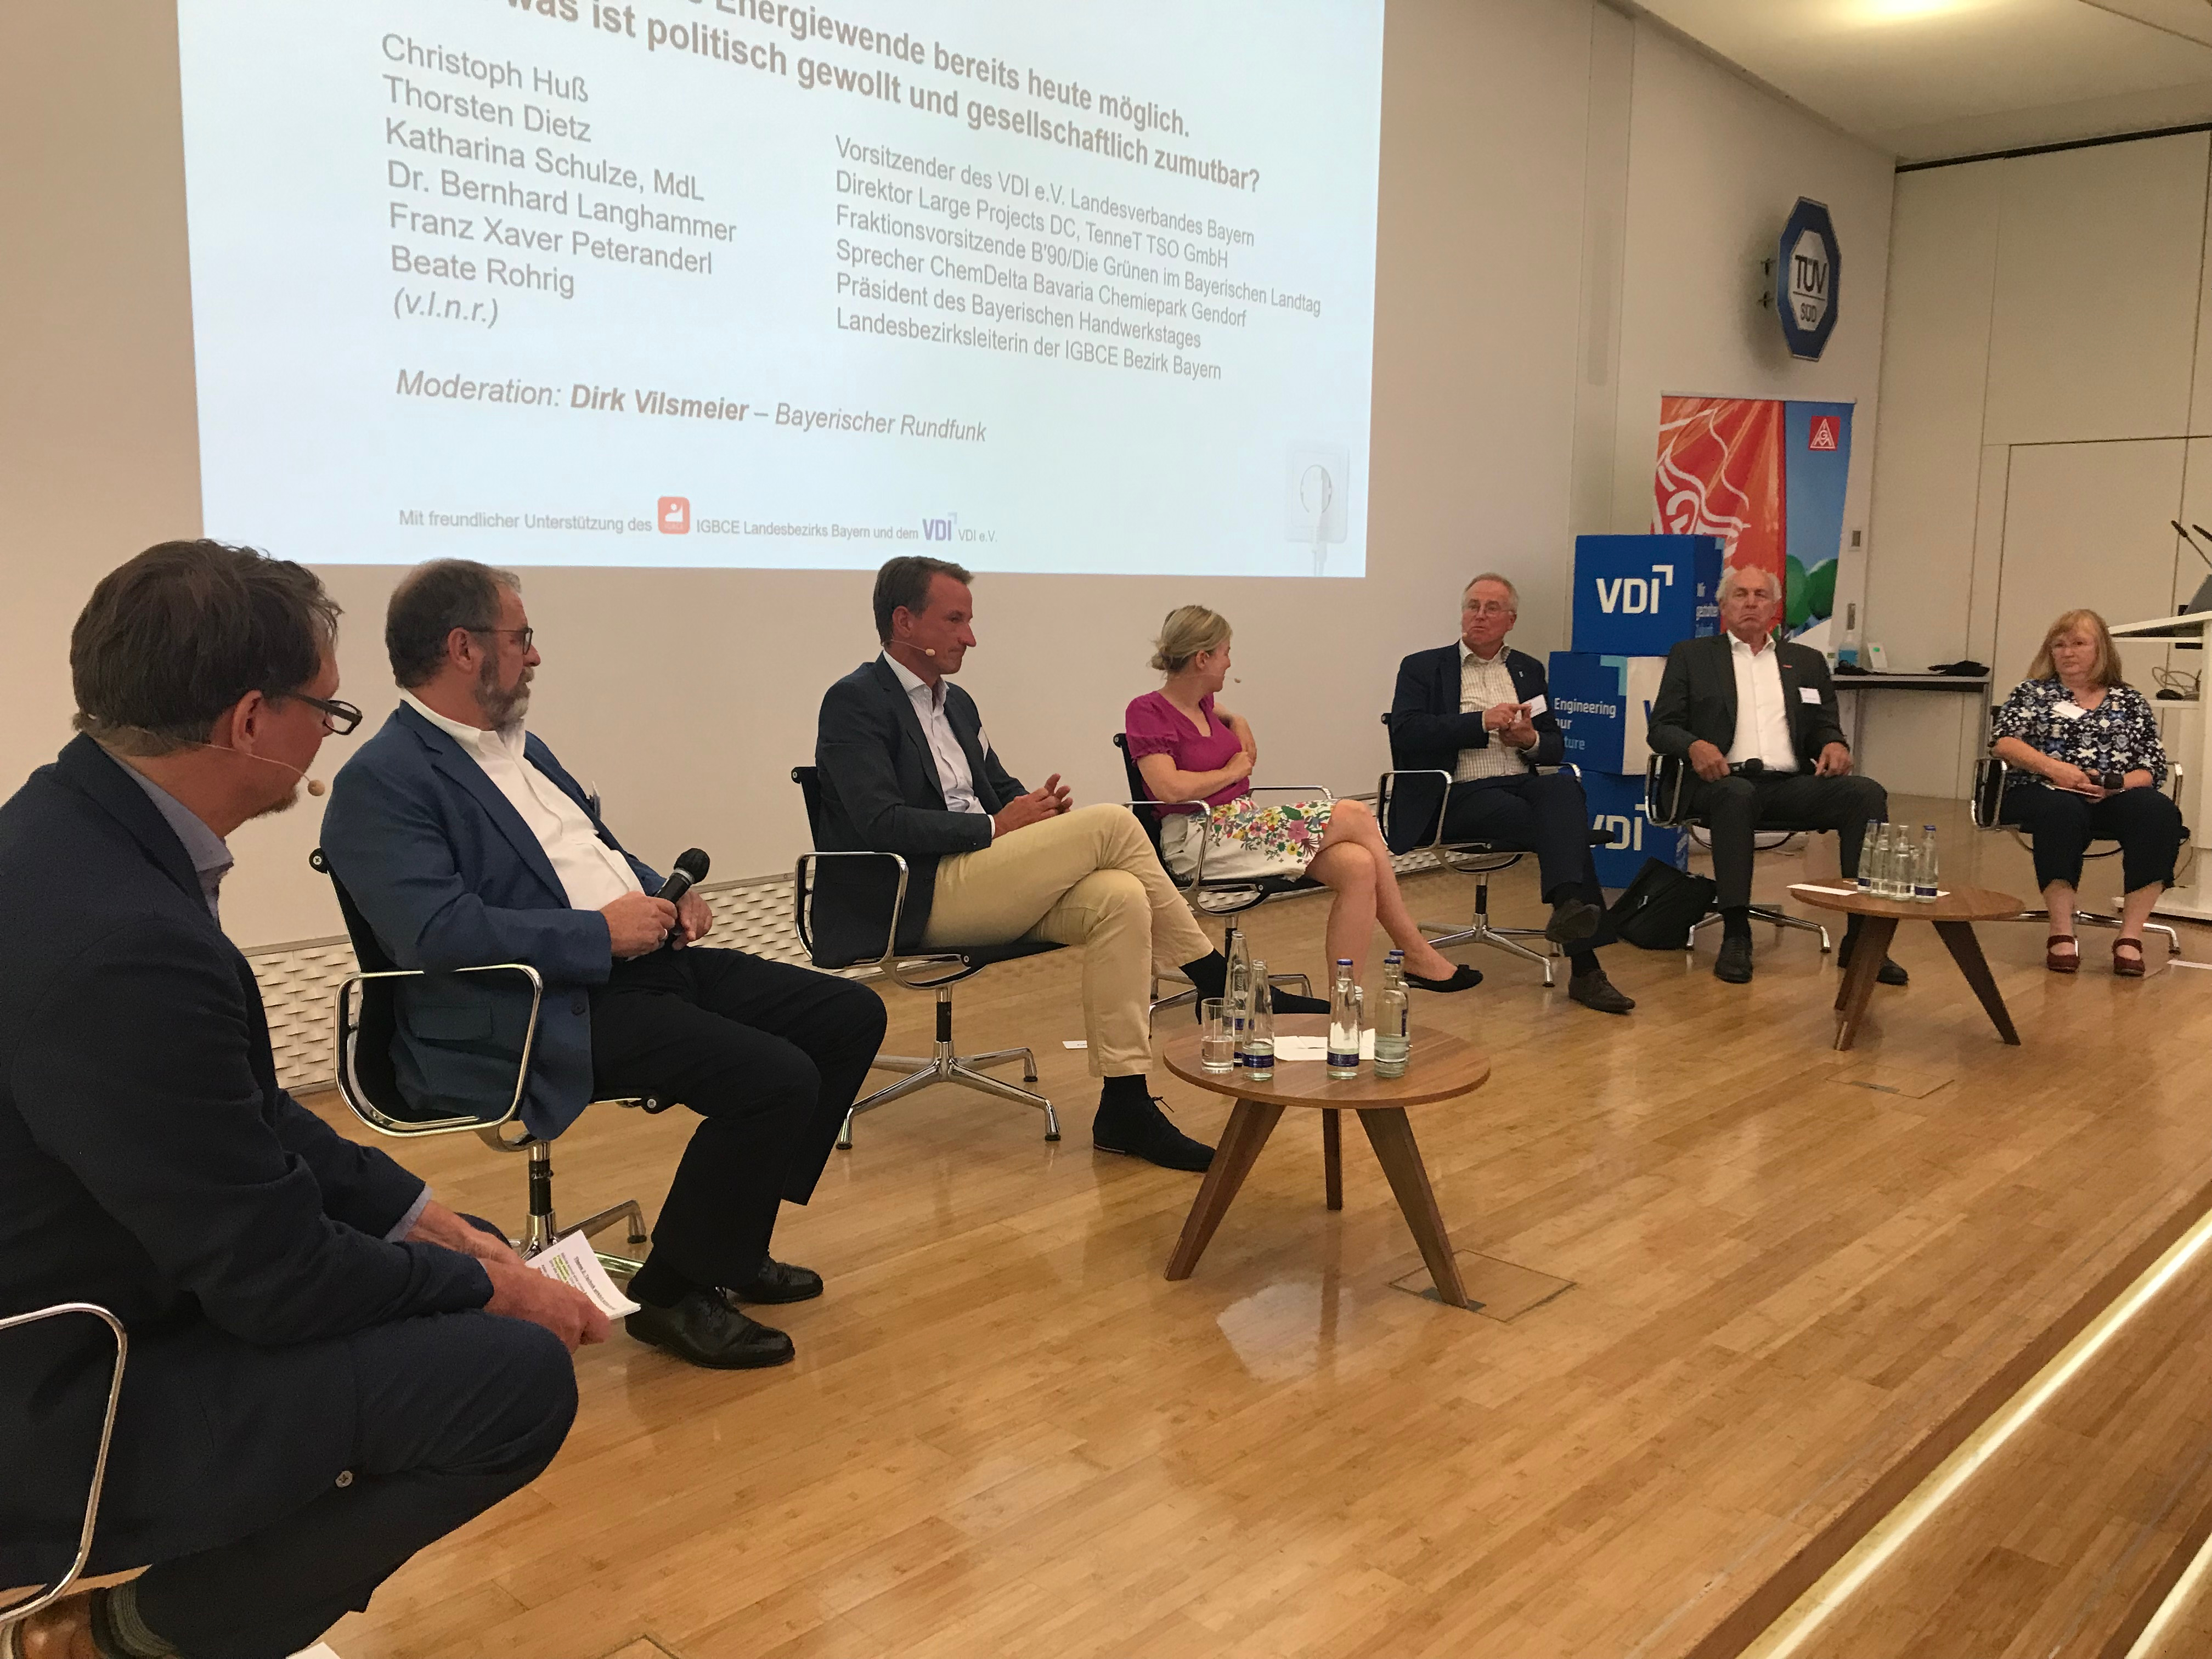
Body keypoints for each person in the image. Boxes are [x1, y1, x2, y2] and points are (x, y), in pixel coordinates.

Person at [0, 541, 599, 1659]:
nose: (331, 734)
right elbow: (273, 1281)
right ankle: (122, 1636)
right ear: (249, 722)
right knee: (510, 1383)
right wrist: (482, 1286)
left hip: (87, 1292)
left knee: (448, 1273)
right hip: (62, 1388)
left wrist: (422, 1217)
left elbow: (244, 1110)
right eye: (326, 710)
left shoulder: (66, 829)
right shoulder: (124, 940)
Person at [321, 560, 887, 1372]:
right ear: (463, 648)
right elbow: (436, 935)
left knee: (848, 1017)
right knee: (774, 1078)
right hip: (534, 1007)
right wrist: (598, 934)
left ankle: (731, 1243)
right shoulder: (382, 780)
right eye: (521, 638)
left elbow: (595, 855)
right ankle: (676, 1293)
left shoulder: (526, 750)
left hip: (628, 967)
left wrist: (663, 895)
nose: (535, 655)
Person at [815, 557, 1321, 1175]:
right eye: (954, 620)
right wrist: (999, 826)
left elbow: (998, 790)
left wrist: (1038, 812)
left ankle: (1125, 1106)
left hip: (982, 875)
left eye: (969, 621)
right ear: (904, 622)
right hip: (916, 893)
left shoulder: (959, 704)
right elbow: (880, 822)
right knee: (1113, 824)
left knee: (1120, 897)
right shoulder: (855, 701)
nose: (970, 637)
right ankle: (1215, 976)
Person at [1127, 604, 1481, 992]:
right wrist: (1232, 772)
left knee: (1358, 865)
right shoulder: (1147, 711)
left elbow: (1232, 724)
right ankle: (1414, 950)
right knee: (1355, 814)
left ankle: (1342, 1004)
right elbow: (1169, 789)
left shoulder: (1205, 704)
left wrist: (1240, 722)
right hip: (1200, 838)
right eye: (1225, 653)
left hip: (1241, 826)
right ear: (1202, 658)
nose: (1229, 663)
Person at [1386, 574, 1637, 1014]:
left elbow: (1554, 745)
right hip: (1456, 795)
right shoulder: (1424, 667)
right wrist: (1479, 722)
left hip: (1520, 783)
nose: (1479, 615)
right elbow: (1406, 732)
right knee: (1566, 829)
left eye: (1492, 608)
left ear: (1511, 620)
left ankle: (1569, 907)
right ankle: (1586, 968)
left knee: (1563, 787)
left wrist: (1529, 740)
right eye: (1473, 606)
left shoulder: (1526, 670)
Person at [1647, 564, 1906, 986]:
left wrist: (1834, 745)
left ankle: (1863, 939)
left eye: (1760, 595)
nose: (1750, 603)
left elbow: (1824, 725)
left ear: (1775, 607)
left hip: (1788, 784)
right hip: (1717, 784)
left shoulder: (1805, 662)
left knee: (1865, 794)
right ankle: (1736, 933)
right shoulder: (1692, 656)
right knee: (1736, 794)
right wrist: (1695, 746)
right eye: (1740, 594)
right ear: (1723, 605)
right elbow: (1661, 728)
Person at [1991, 608, 2183, 977]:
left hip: (2112, 794)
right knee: (2061, 809)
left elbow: (2152, 767)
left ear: (2101, 650)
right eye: (2059, 645)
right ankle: (2061, 931)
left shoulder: (2129, 700)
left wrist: (2115, 784)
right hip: (2041, 788)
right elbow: (2004, 743)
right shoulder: (2032, 693)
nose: (2067, 652)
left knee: (2157, 812)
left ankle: (2131, 937)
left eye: (2078, 643)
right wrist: (2055, 769)